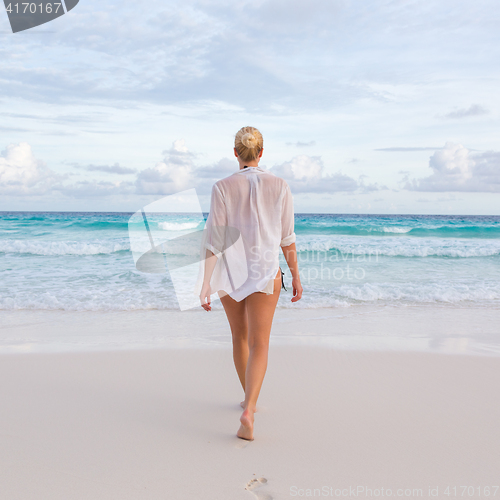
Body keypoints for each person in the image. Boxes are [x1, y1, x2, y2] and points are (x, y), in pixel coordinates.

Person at [199, 126, 303, 441]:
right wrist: (296, 275)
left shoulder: (221, 187)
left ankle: (247, 399)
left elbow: (215, 240)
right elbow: (287, 239)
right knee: (261, 343)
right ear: (261, 153)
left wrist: (205, 284)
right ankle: (250, 407)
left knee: (239, 339)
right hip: (266, 271)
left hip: (230, 273)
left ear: (236, 153)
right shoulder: (281, 185)